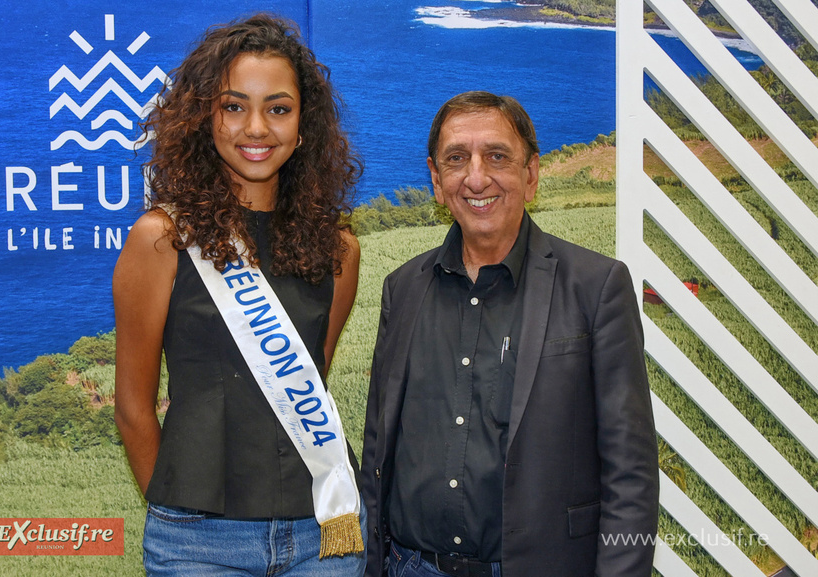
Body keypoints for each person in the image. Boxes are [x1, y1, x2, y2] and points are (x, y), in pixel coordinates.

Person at [361, 91, 659, 577]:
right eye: (457, 159)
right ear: (437, 180)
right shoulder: (403, 289)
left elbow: (632, 475)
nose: (476, 177)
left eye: (496, 156)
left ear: (531, 174)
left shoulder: (596, 287)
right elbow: (378, 448)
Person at [113, 14, 366, 576]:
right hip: (198, 543)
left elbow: (309, 379)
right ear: (206, 120)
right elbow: (133, 406)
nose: (256, 128)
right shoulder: (161, 239)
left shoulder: (339, 249)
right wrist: (175, 501)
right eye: (233, 106)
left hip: (322, 532)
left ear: (304, 127)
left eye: (278, 108)